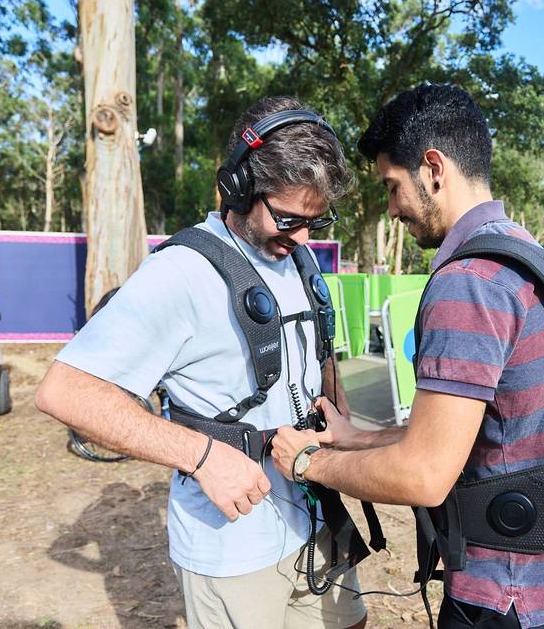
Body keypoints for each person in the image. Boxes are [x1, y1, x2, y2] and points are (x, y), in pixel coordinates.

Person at [270, 83, 544, 628]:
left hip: (499, 589)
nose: (391, 207)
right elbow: (472, 435)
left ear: (432, 168)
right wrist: (356, 438)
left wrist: (309, 462)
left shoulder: (469, 284)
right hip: (541, 570)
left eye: (392, 186)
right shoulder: (532, 259)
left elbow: (425, 473)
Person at [35, 96, 369, 629]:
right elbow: (65, 391)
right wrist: (201, 456)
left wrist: (341, 423)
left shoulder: (299, 257)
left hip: (314, 520)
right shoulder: (182, 273)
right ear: (238, 186)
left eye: (316, 219)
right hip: (233, 549)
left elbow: (319, 352)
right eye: (288, 218)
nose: (305, 236)